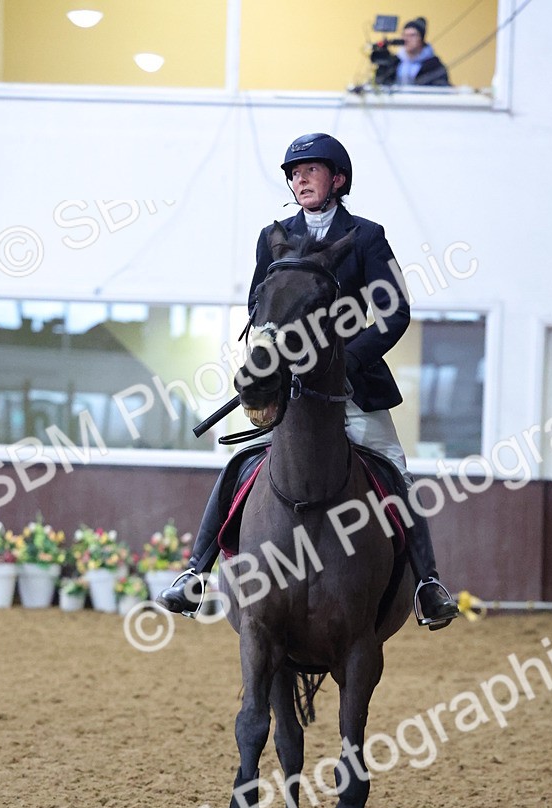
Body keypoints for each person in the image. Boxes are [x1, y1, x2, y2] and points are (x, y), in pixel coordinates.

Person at [160, 132, 459, 630]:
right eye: (293, 173)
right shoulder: (272, 236)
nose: (300, 178)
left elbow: (394, 311)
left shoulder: (366, 236)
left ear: (337, 179)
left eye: (311, 170)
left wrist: (350, 359)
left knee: (395, 470)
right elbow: (260, 307)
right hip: (288, 388)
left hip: (352, 384)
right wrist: (264, 365)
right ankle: (195, 572)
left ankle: (428, 583)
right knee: (238, 465)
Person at [371, 16, 451, 87]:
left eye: (412, 35)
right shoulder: (394, 62)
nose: (407, 39)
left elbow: (441, 87)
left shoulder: (433, 65)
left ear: (421, 39)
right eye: (405, 35)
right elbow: (380, 84)